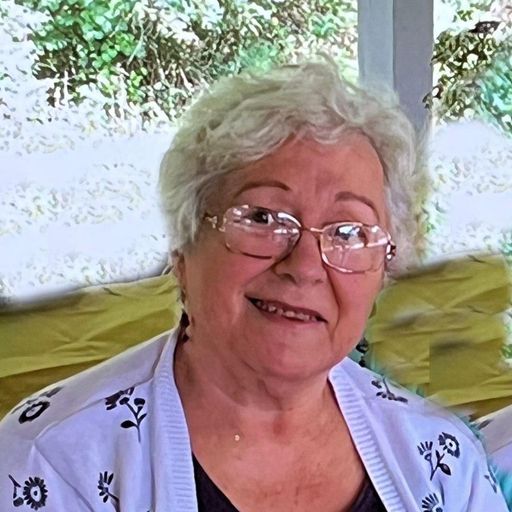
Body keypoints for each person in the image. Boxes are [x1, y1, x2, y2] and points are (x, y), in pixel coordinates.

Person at [0, 58, 508, 512]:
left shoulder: (442, 464)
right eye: (263, 217)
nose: (305, 265)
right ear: (183, 246)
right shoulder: (51, 463)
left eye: (349, 232)